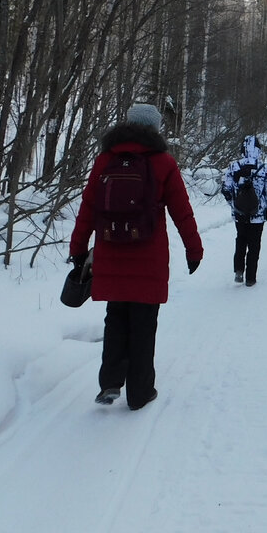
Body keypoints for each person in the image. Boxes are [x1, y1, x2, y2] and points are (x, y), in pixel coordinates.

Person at [70, 103, 203, 410]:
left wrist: (77, 249)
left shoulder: (106, 159)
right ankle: (140, 392)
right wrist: (193, 250)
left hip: (111, 253)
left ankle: (110, 383)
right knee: (144, 325)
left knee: (115, 318)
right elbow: (182, 212)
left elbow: (87, 208)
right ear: (156, 129)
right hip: (149, 257)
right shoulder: (164, 162)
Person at [222, 136, 267, 286]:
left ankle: (238, 269)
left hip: (239, 213)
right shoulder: (264, 168)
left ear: (243, 149)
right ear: (258, 150)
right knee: (254, 244)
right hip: (258, 214)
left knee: (241, 240)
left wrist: (234, 205)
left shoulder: (233, 166)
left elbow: (226, 190)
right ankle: (251, 277)